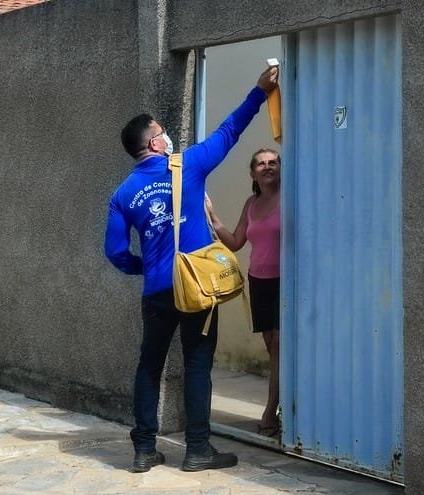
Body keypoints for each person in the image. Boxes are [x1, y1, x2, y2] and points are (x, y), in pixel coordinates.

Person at [104, 66, 279, 473]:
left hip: (157, 292)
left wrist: (146, 268)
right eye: (163, 131)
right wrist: (258, 91)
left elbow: (114, 252)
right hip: (197, 288)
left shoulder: (123, 192)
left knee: (149, 366)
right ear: (154, 142)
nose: (168, 136)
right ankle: (198, 449)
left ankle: (144, 450)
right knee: (197, 364)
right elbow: (229, 131)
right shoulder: (189, 164)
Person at [205, 148, 281, 437]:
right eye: (261, 164)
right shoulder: (251, 203)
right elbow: (236, 242)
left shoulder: (291, 198)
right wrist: (213, 217)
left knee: (278, 346)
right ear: (252, 173)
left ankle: (270, 410)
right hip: (259, 281)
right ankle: (279, 405)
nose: (267, 167)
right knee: (271, 345)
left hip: (284, 281)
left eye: (273, 162)